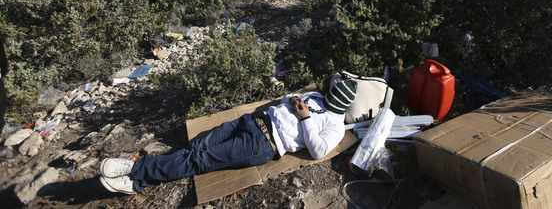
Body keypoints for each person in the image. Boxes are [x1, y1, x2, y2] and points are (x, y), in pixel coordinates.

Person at [99, 79, 358, 194]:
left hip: (262, 143)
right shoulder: (317, 97)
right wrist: (294, 100)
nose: (326, 100)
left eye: (332, 100)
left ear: (340, 106)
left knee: (198, 159)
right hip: (251, 120)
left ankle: (136, 174)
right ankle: (140, 178)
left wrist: (306, 119)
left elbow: (317, 151)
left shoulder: (335, 124)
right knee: (197, 147)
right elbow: (290, 96)